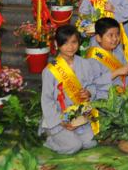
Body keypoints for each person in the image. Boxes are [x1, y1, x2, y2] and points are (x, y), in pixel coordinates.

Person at [41, 25, 100, 154]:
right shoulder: (49, 71)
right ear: (57, 44)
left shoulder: (85, 63)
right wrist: (61, 121)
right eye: (65, 43)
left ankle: (73, 136)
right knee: (74, 146)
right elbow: (47, 100)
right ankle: (51, 139)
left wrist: (89, 92)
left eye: (74, 42)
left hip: (80, 116)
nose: (70, 47)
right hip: (59, 119)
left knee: (90, 143)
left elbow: (92, 85)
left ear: (79, 43)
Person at [85, 17, 128, 98]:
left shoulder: (118, 49)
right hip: (104, 97)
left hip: (123, 93)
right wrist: (116, 72)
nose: (115, 39)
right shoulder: (93, 56)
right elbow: (94, 83)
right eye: (110, 35)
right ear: (98, 38)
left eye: (117, 34)